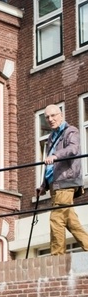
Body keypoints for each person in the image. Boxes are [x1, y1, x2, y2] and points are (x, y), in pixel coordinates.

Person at [39, 104, 88, 255]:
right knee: (70, 220)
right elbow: (48, 167)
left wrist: (55, 155)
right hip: (55, 184)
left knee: (56, 218)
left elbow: (73, 149)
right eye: (47, 117)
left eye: (53, 115)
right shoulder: (51, 137)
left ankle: (57, 257)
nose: (50, 119)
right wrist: (44, 185)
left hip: (67, 182)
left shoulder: (70, 131)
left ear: (61, 115)